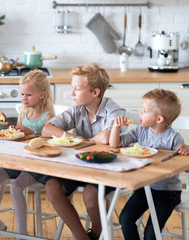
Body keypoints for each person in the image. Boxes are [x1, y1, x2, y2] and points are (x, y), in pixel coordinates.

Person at [41, 63, 126, 240]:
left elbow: (108, 138)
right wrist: (80, 139)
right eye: (72, 88)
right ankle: (82, 237)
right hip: (79, 165)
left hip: (108, 169)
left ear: (95, 93)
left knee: (90, 193)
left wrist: (78, 140)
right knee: (52, 185)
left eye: (77, 89)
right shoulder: (77, 109)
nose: (72, 93)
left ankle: (96, 233)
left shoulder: (114, 110)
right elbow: (47, 130)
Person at [109, 88, 189, 240]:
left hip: (167, 192)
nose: (140, 113)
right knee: (125, 219)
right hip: (145, 188)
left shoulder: (173, 138)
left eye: (145, 111)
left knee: (150, 234)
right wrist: (116, 127)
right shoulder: (141, 131)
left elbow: (188, 168)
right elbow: (115, 144)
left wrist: (186, 150)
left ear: (159, 119)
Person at [0, 69, 55, 239]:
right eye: (22, 94)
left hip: (38, 166)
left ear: (42, 95)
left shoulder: (48, 117)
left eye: (28, 95)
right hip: (20, 161)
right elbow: (18, 137)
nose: (23, 98)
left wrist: (31, 132)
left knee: (16, 186)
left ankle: (21, 234)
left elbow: (51, 144)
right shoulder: (23, 113)